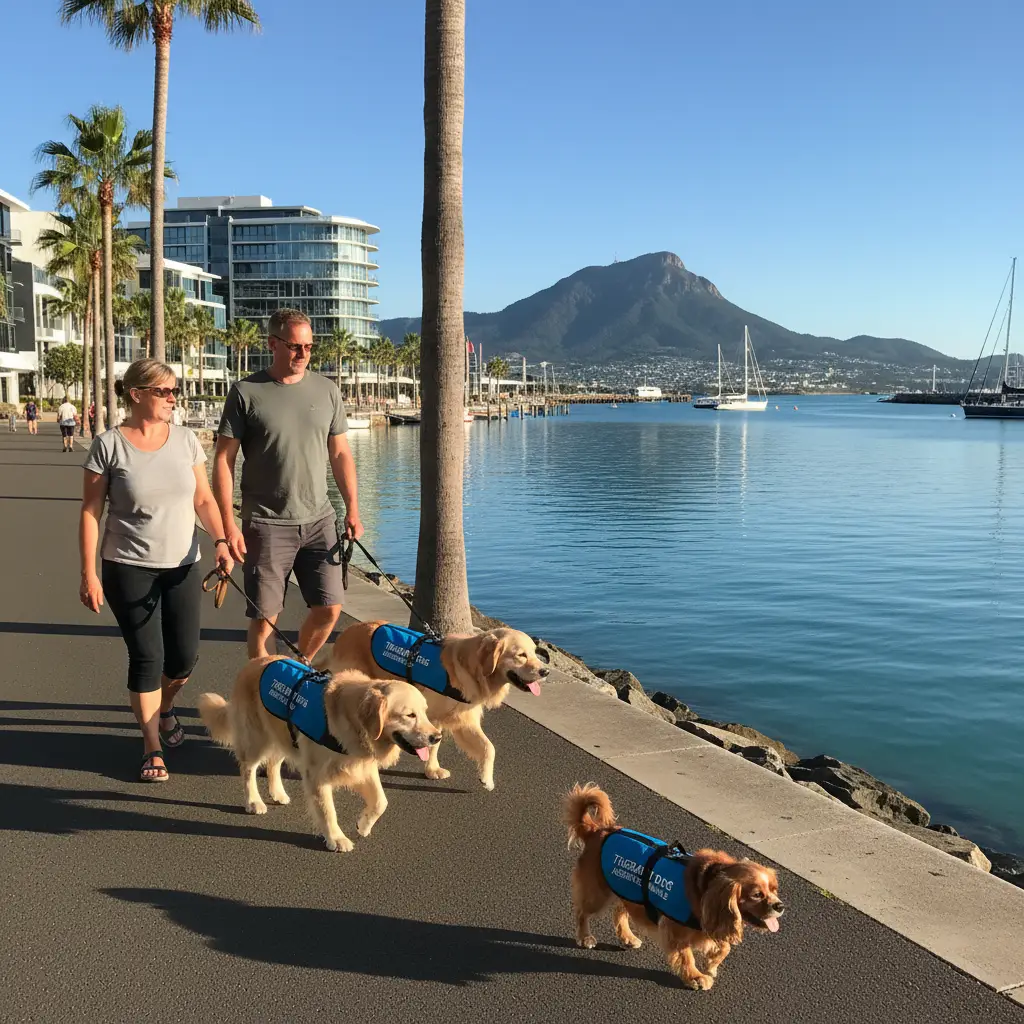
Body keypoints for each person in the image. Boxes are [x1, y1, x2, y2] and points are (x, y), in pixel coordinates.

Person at [80, 359, 233, 783]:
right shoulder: (109, 445)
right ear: (137, 395)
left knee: (183, 658)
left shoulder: (185, 441)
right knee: (147, 657)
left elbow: (203, 499)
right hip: (126, 566)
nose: (173, 398)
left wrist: (220, 540)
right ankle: (152, 745)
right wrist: (88, 572)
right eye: (164, 391)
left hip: (184, 565)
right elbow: (92, 511)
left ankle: (165, 707)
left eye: (174, 391)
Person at [213, 308, 363, 662]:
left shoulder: (327, 391)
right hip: (265, 524)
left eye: (309, 347)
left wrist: (353, 508)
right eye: (295, 347)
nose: (303, 355)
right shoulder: (246, 392)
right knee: (266, 618)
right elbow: (223, 461)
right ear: (273, 344)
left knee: (330, 608)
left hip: (319, 520)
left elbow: (340, 454)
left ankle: (299, 667)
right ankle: (259, 691)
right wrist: (227, 526)